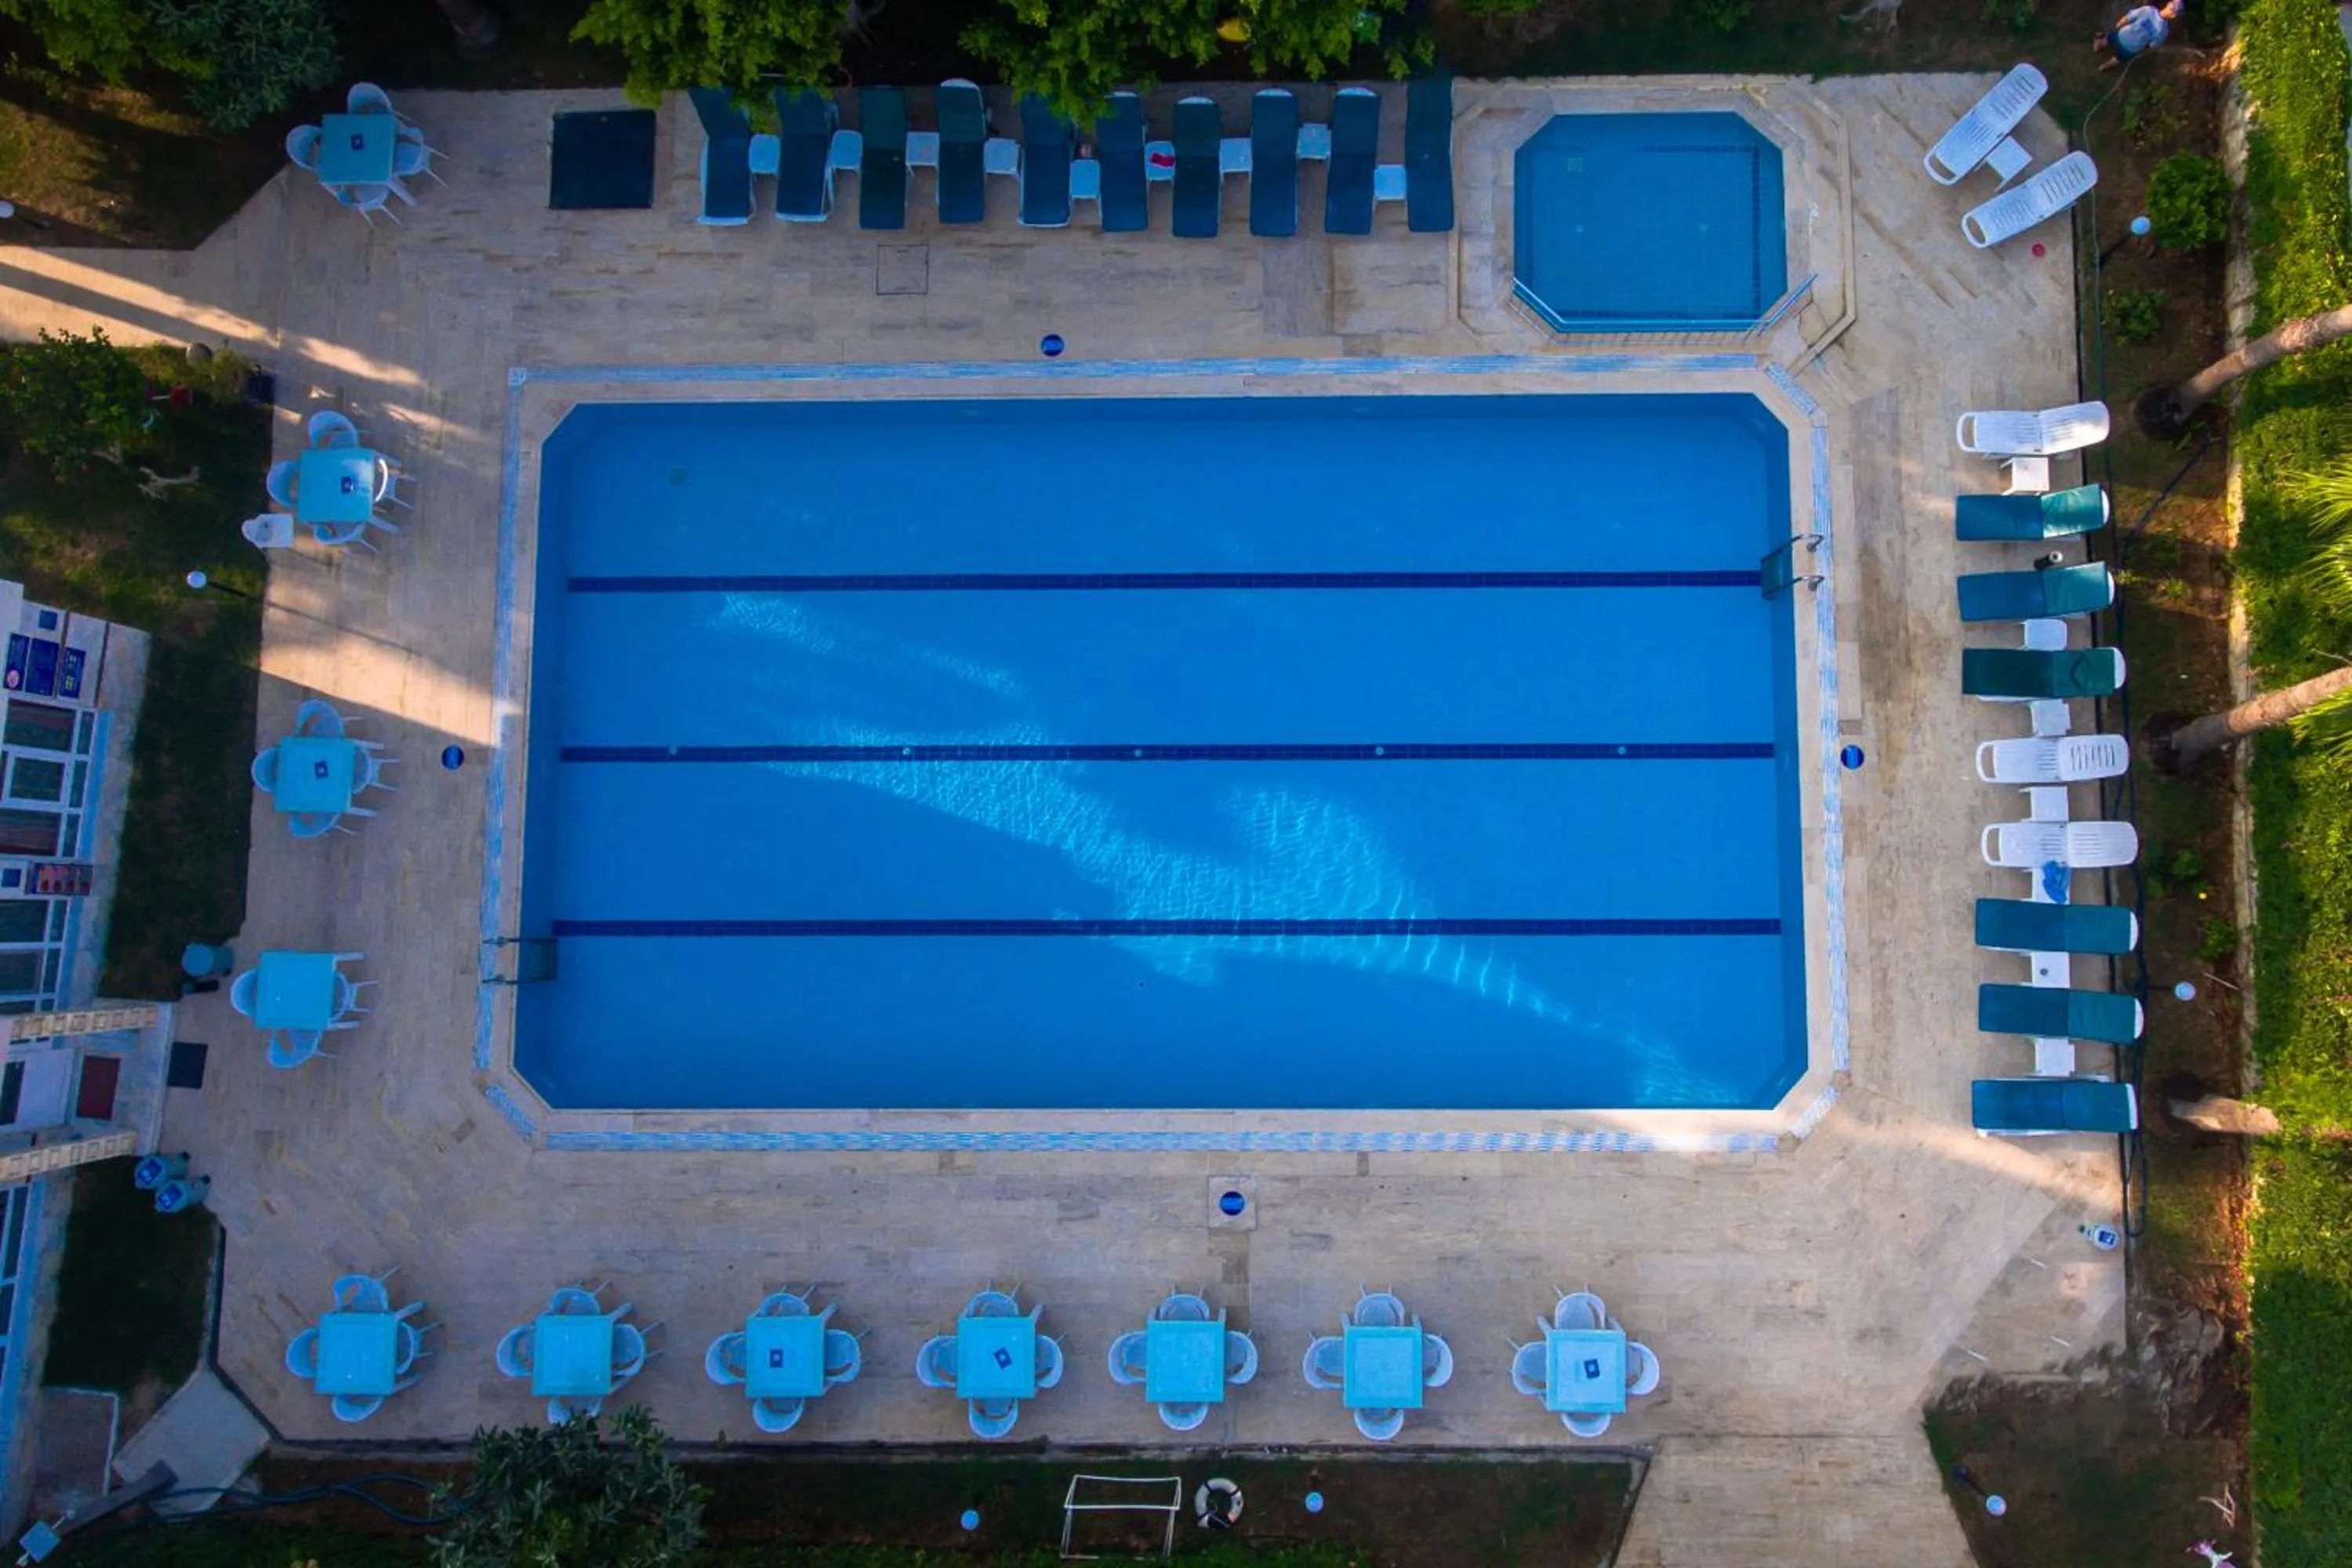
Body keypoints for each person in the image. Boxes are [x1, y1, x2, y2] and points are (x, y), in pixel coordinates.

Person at [2092, 0, 2183, 67]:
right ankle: (2103, 67)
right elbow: (2153, 45)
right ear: (2173, 16)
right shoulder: (2164, 31)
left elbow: (2128, 17)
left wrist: (2119, 25)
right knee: (2118, 59)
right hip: (2132, 48)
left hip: (2122, 35)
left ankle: (2097, 46)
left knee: (2107, 40)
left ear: (2168, 4)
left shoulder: (2148, 10)